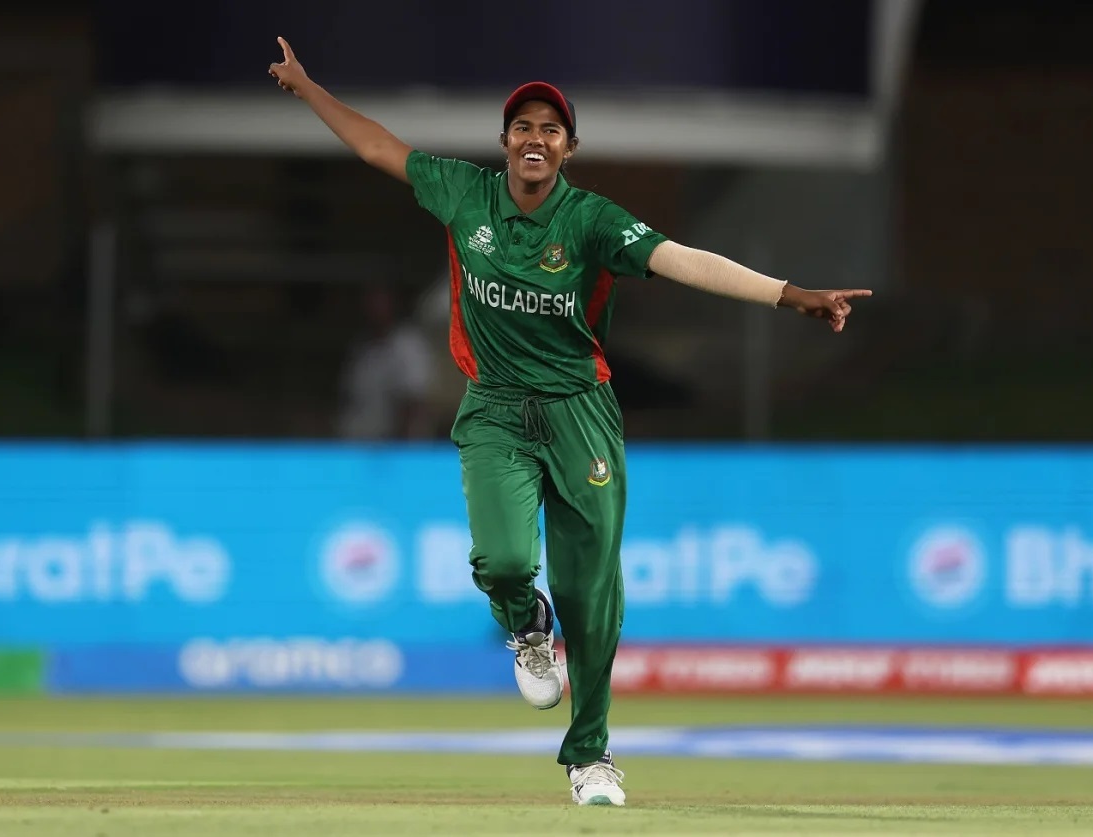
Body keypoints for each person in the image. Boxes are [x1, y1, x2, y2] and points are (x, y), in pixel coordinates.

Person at [269, 37, 871, 807]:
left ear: (568, 149)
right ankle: (526, 623)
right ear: (504, 141)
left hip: (580, 414)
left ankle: (591, 757)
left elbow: (683, 259)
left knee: (592, 597)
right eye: (523, 125)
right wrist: (309, 88)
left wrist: (790, 295)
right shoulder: (463, 194)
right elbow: (376, 146)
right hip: (494, 408)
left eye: (551, 129)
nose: (535, 137)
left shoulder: (590, 221)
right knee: (503, 562)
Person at [336, 283, 435, 440]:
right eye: (369, 299)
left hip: (390, 445)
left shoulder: (409, 344)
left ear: (392, 302)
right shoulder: (361, 347)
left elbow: (415, 404)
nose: (374, 306)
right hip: (353, 441)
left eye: (379, 299)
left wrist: (398, 446)